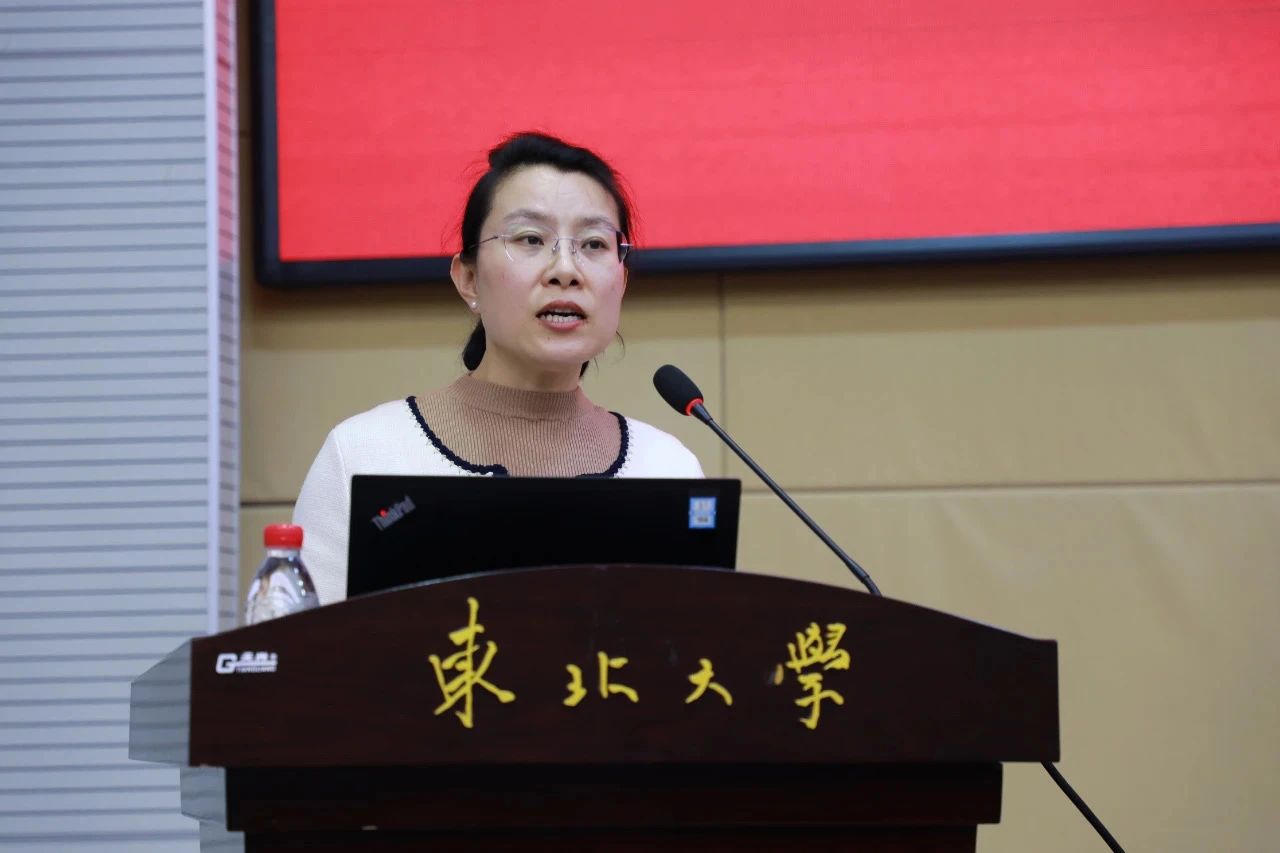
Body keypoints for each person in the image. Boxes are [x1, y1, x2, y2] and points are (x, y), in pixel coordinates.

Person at [292, 132, 704, 605]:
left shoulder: (666, 470)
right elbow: (297, 647)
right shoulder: (365, 455)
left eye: (593, 244)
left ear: (622, 280)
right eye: (531, 239)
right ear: (468, 278)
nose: (565, 270)